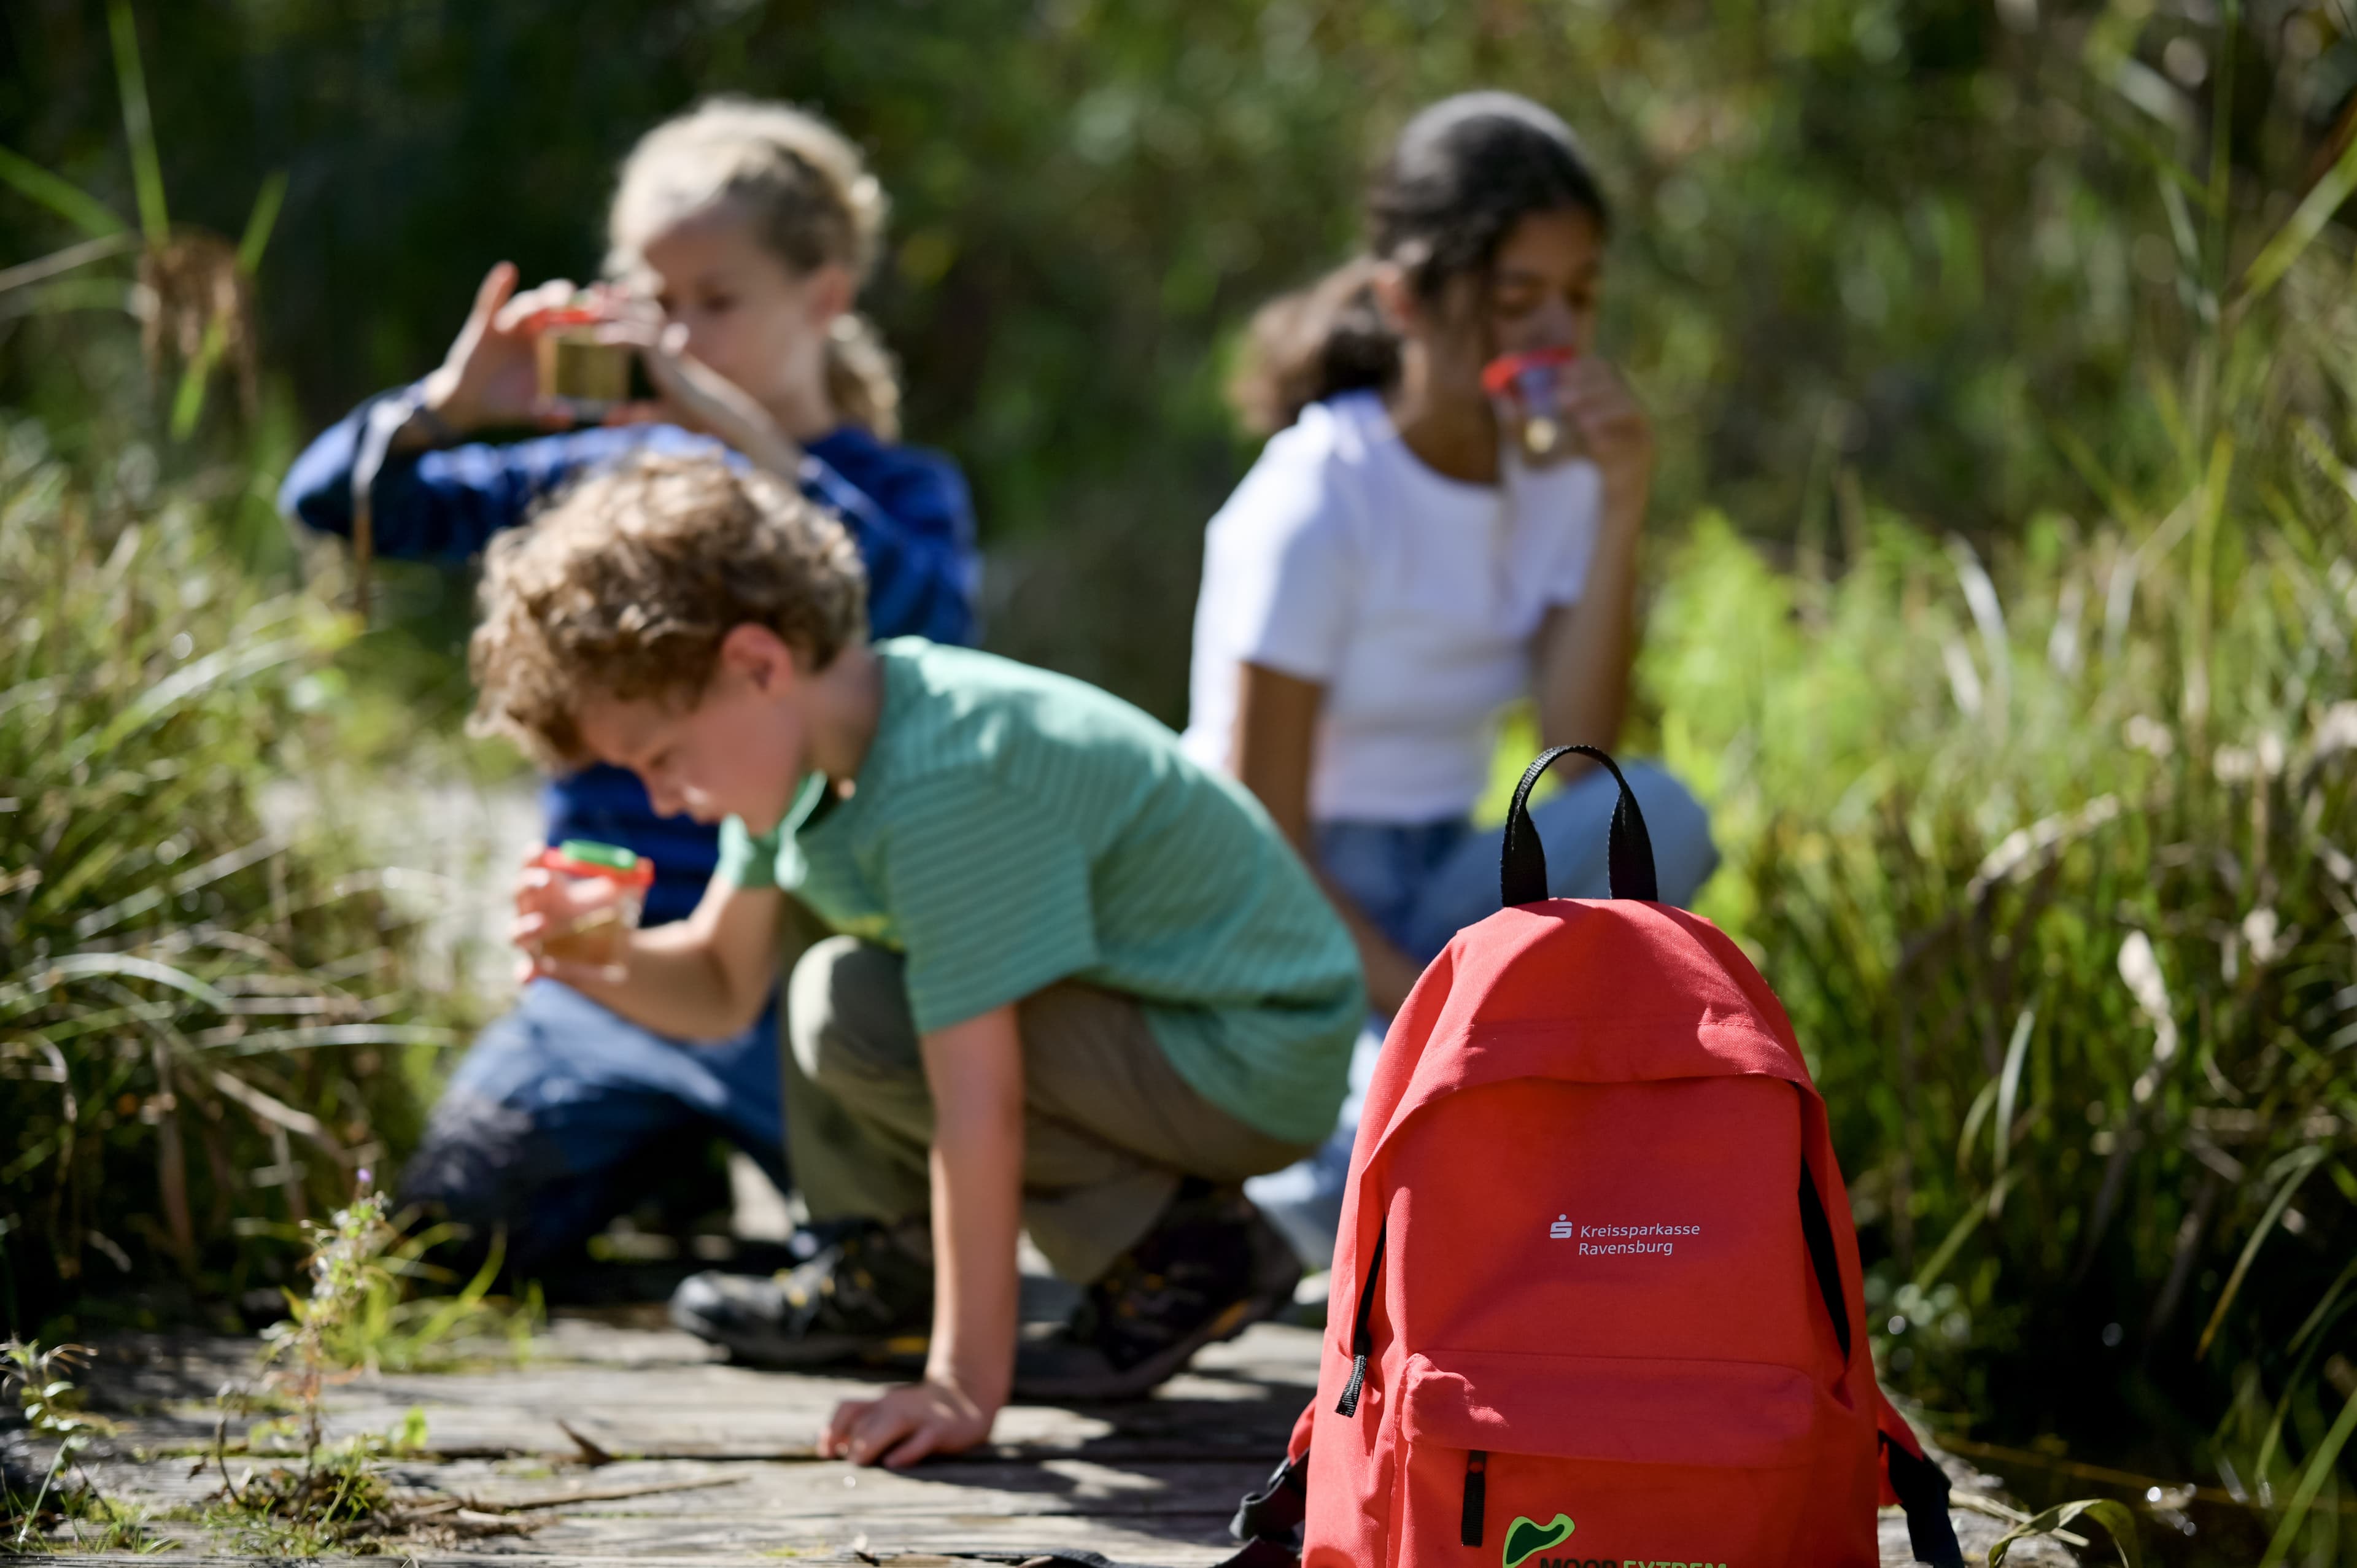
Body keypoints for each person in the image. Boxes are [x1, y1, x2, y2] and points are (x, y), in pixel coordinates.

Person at [471, 450, 1360, 1459]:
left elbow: (976, 1104)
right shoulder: (806, 764)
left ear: (757, 664)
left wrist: (961, 1389)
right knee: (828, 974)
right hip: (1150, 1027)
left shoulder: (944, 780)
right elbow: (721, 987)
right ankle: (892, 1263)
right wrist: (603, 959)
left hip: (1253, 1050)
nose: (664, 800)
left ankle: (1175, 1252)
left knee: (851, 1002)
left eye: (663, 760)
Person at [278, 98, 978, 1275]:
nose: (684, 341)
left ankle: (744, 1164)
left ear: (825, 293)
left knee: (888, 1257)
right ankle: (655, 1146)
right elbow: (342, 511)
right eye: (658, 306)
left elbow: (927, 614)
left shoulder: (882, 485)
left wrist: (747, 444)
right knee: (455, 1228)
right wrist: (450, 408)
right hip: (610, 964)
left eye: (719, 303)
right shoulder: (592, 467)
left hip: (801, 975)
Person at [1180, 91, 1719, 1267]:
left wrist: (1622, 497)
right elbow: (1258, 832)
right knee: (1391, 1106)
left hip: (1449, 876)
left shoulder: (1560, 480)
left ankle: (1464, 1153)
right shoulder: (1320, 497)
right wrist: (1413, 1006)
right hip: (1287, 898)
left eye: (1578, 298)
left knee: (1662, 817)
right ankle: (1280, 1228)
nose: (1555, 336)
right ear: (1407, 301)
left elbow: (1578, 748)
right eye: (1517, 299)